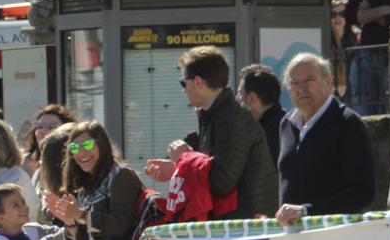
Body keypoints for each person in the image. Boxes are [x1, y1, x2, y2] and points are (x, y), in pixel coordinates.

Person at [145, 46, 278, 219]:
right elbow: (212, 168)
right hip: (240, 225)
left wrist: (185, 159)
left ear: (198, 82)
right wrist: (178, 169)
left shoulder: (230, 116)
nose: (183, 90)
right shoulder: (218, 113)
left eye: (183, 83)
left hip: (246, 229)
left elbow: (221, 181)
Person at [275, 53, 375, 225]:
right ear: (288, 89)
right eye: (295, 83)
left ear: (328, 81)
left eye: (308, 80)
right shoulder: (287, 125)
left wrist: (307, 210)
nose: (301, 88)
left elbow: (362, 191)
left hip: (333, 238)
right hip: (293, 239)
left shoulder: (348, 124)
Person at [237, 63, 286, 167]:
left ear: (251, 98)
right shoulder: (287, 125)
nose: (237, 99)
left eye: (239, 94)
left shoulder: (262, 136)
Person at [22, 104, 75, 177]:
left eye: (53, 127)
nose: (45, 132)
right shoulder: (24, 164)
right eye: (40, 126)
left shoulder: (74, 161)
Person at [329, 0, 351, 97]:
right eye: (333, 14)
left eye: (342, 14)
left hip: (351, 91)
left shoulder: (355, 40)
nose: (338, 18)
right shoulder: (326, 42)